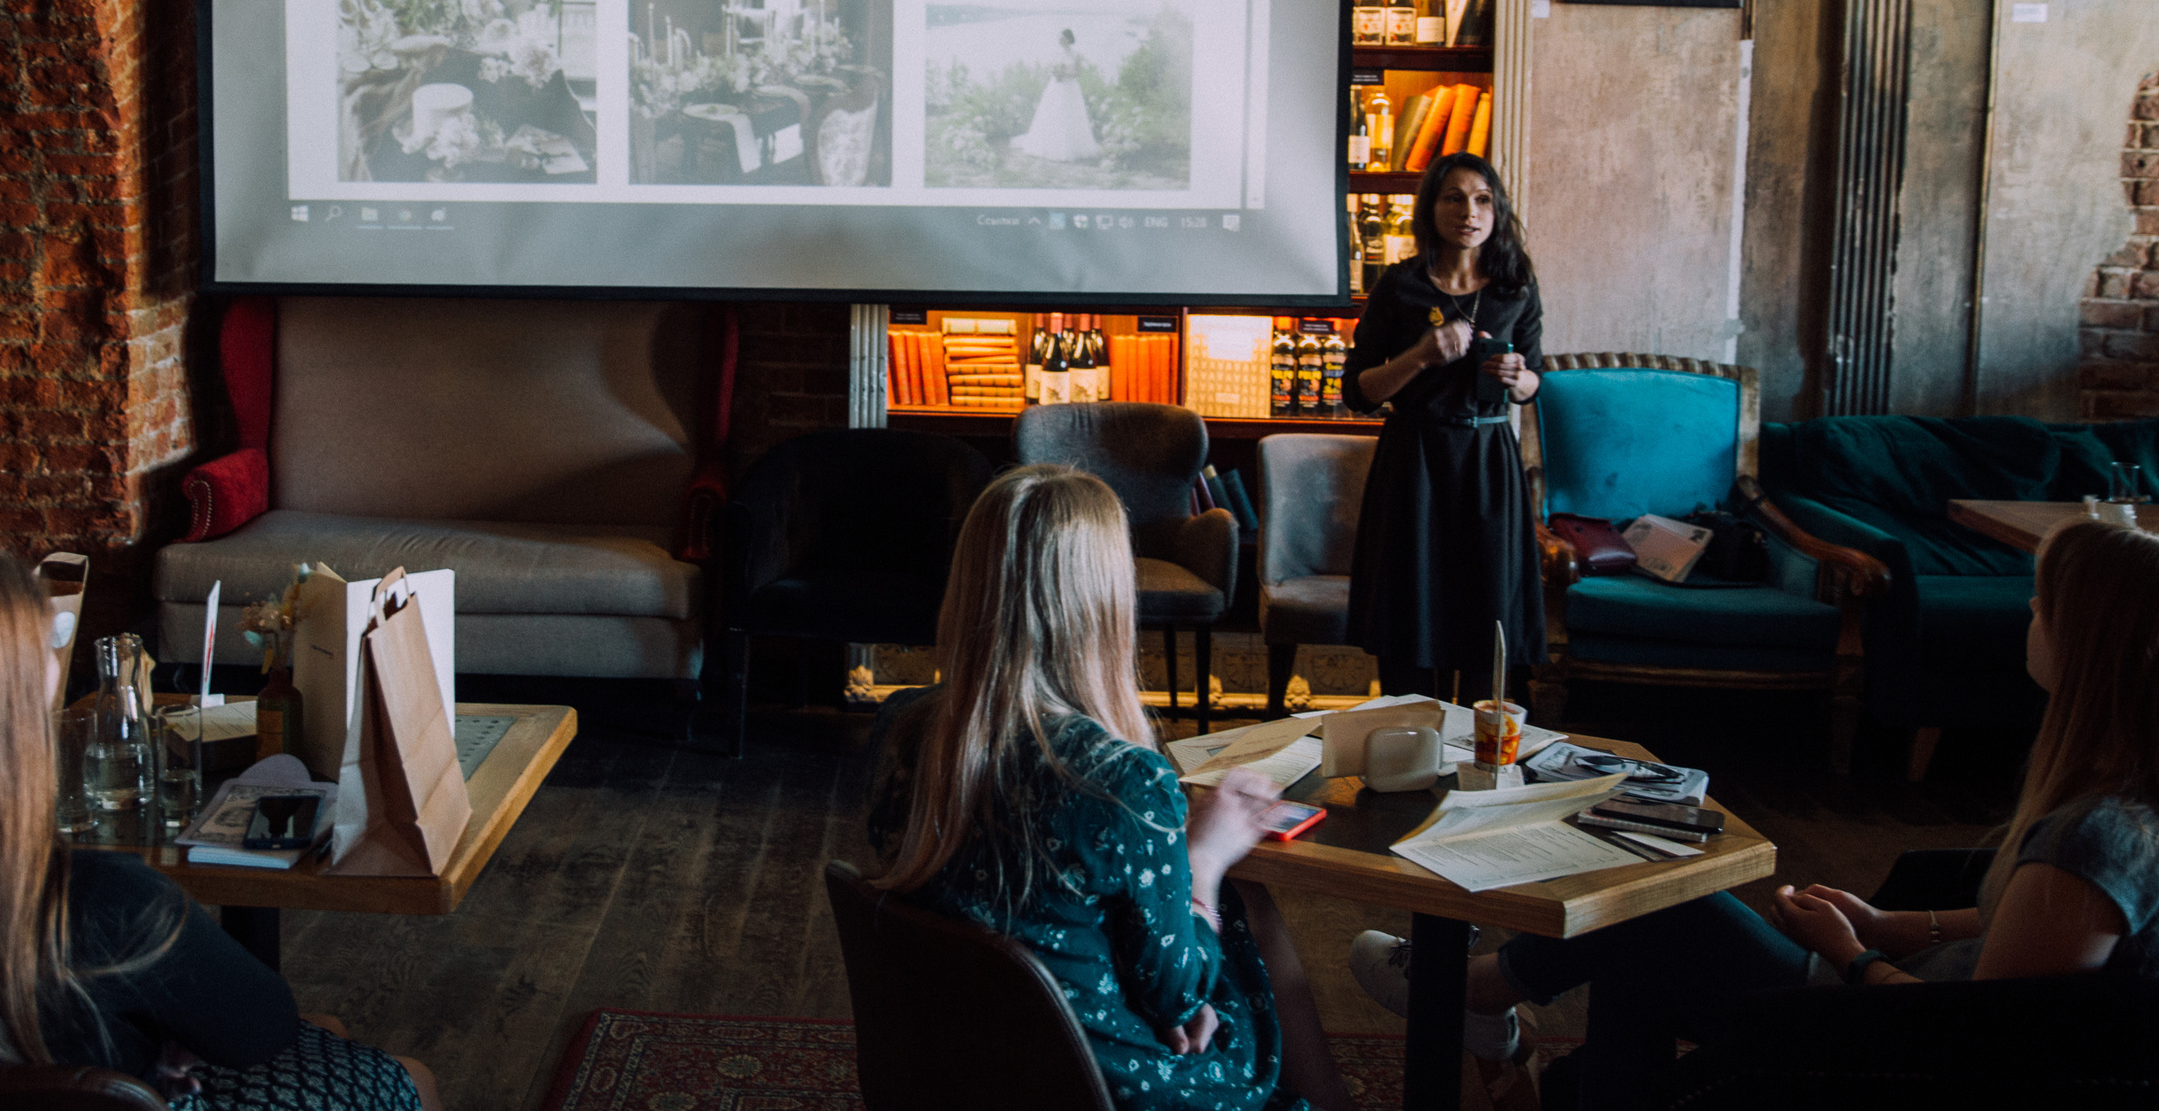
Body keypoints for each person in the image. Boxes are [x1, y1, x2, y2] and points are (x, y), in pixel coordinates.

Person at [1350, 517, 2159, 1109]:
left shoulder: (2096, 839)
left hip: (1880, 1039)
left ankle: (1474, 993)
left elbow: (1980, 1045)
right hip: (1891, 989)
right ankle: (1497, 1013)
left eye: (2042, 604)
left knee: (1656, 906)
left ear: (2090, 646)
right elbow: (2006, 933)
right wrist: (1883, 921)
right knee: (1650, 934)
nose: (2027, 613)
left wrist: (1847, 954)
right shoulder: (2114, 809)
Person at [0, 539, 440, 1110]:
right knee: (409, 1077)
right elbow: (261, 1028)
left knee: (327, 1032)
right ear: (22, 699)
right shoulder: (107, 900)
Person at [866, 465, 1356, 1111]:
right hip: (1100, 1083)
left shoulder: (903, 725)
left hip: (966, 1065)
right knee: (1243, 916)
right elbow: (1177, 993)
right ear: (1102, 603)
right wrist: (1202, 859)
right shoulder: (1124, 778)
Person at [1341, 151, 1544, 699]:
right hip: (1415, 461)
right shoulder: (1399, 286)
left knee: (1489, 620)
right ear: (1430, 208)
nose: (1469, 212)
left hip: (1487, 461)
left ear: (1497, 210)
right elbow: (1357, 393)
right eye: (1453, 197)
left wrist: (1518, 376)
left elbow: (1534, 385)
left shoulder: (1513, 288)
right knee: (1410, 618)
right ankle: (1406, 758)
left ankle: (1482, 767)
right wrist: (1420, 356)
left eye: (1482, 199)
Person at [1015, 29, 1102, 162]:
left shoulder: (1076, 54)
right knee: (1053, 113)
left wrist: (1065, 74)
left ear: (1068, 39)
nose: (1060, 40)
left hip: (1070, 87)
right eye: (1059, 38)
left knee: (1070, 115)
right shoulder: (1057, 53)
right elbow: (1053, 68)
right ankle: (1050, 145)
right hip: (1056, 86)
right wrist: (1056, 73)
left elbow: (1078, 72)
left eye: (1062, 38)